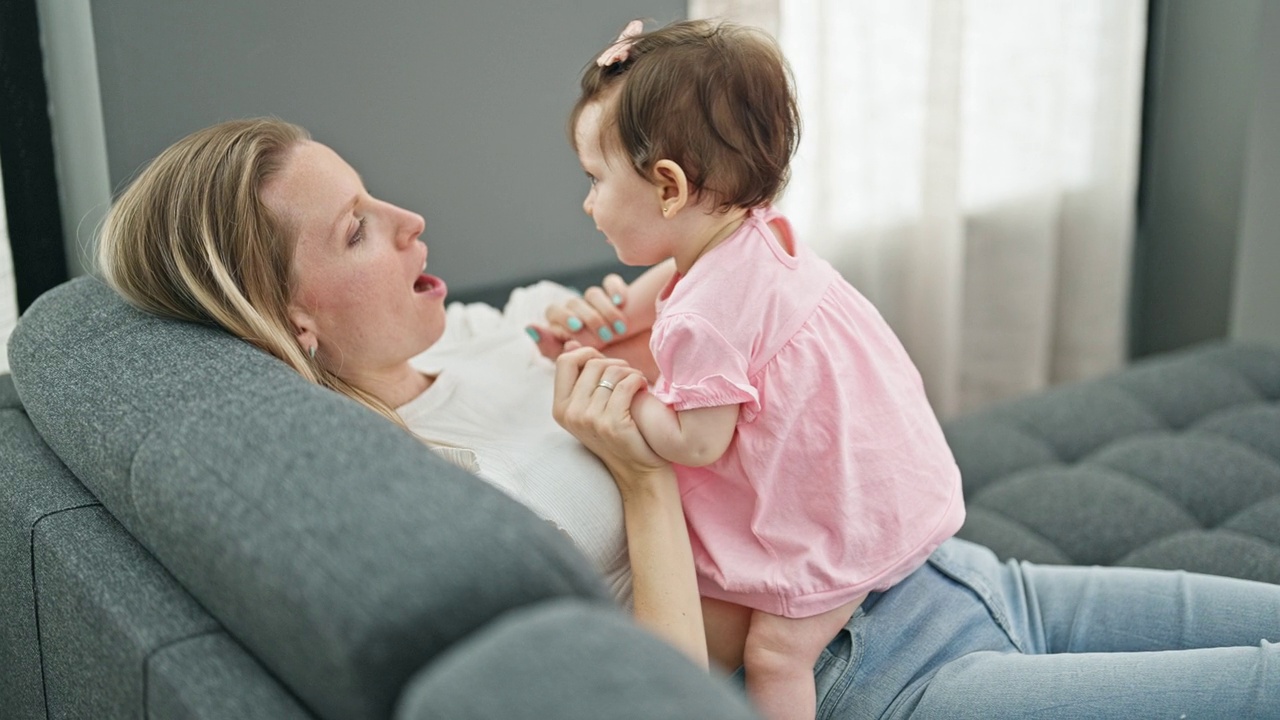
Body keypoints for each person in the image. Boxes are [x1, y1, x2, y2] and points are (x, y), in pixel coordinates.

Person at [97, 117, 1280, 719]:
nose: (410, 220)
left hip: (940, 575)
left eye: (374, 196)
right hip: (876, 689)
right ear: (285, 317)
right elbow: (652, 690)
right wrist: (641, 479)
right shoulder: (418, 486)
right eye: (354, 228)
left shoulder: (469, 333)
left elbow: (694, 323)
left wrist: (634, 328)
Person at [532, 19, 964, 720]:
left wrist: (628, 394)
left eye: (594, 180)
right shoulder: (751, 230)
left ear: (668, 187)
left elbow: (696, 441)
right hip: (891, 476)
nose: (587, 204)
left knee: (773, 654)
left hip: (843, 523)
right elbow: (658, 297)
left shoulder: (704, 318)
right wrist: (601, 326)